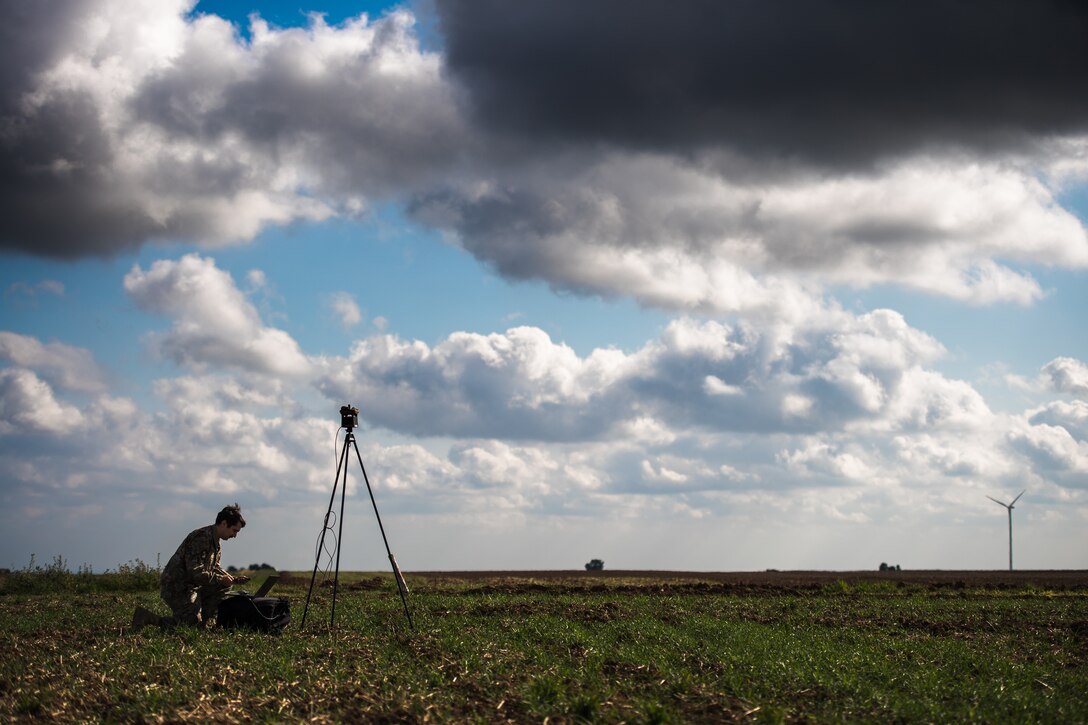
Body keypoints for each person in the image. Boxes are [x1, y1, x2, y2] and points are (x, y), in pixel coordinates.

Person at [131, 503, 251, 631]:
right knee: (190, 623)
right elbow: (195, 573)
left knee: (225, 585)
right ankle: (149, 618)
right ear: (223, 523)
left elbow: (214, 567)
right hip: (177, 586)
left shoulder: (216, 542)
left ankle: (202, 622)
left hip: (193, 587)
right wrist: (221, 579)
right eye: (234, 530)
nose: (235, 535)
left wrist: (231, 578)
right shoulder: (201, 538)